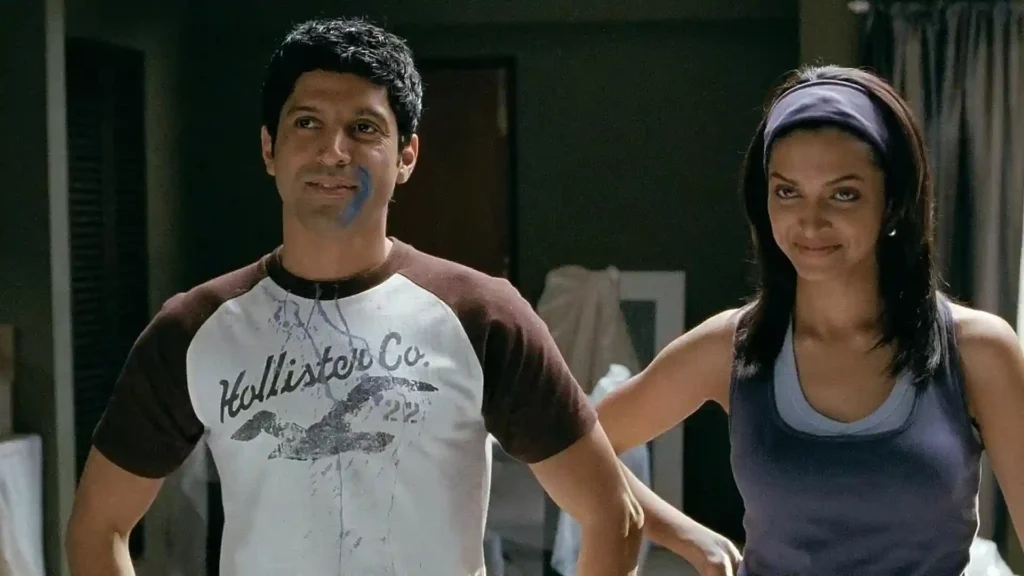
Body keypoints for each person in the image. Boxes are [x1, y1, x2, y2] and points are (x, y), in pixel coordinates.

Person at [65, 17, 643, 576]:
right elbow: (98, 528)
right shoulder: (196, 328)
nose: (333, 152)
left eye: (364, 128)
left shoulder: (481, 317)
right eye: (306, 123)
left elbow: (613, 515)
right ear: (269, 148)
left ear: (406, 156)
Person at [596, 65, 1024, 575]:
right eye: (787, 192)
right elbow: (578, 442)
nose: (811, 220)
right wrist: (683, 533)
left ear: (893, 202)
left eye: (843, 194)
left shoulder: (979, 352)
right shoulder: (731, 348)